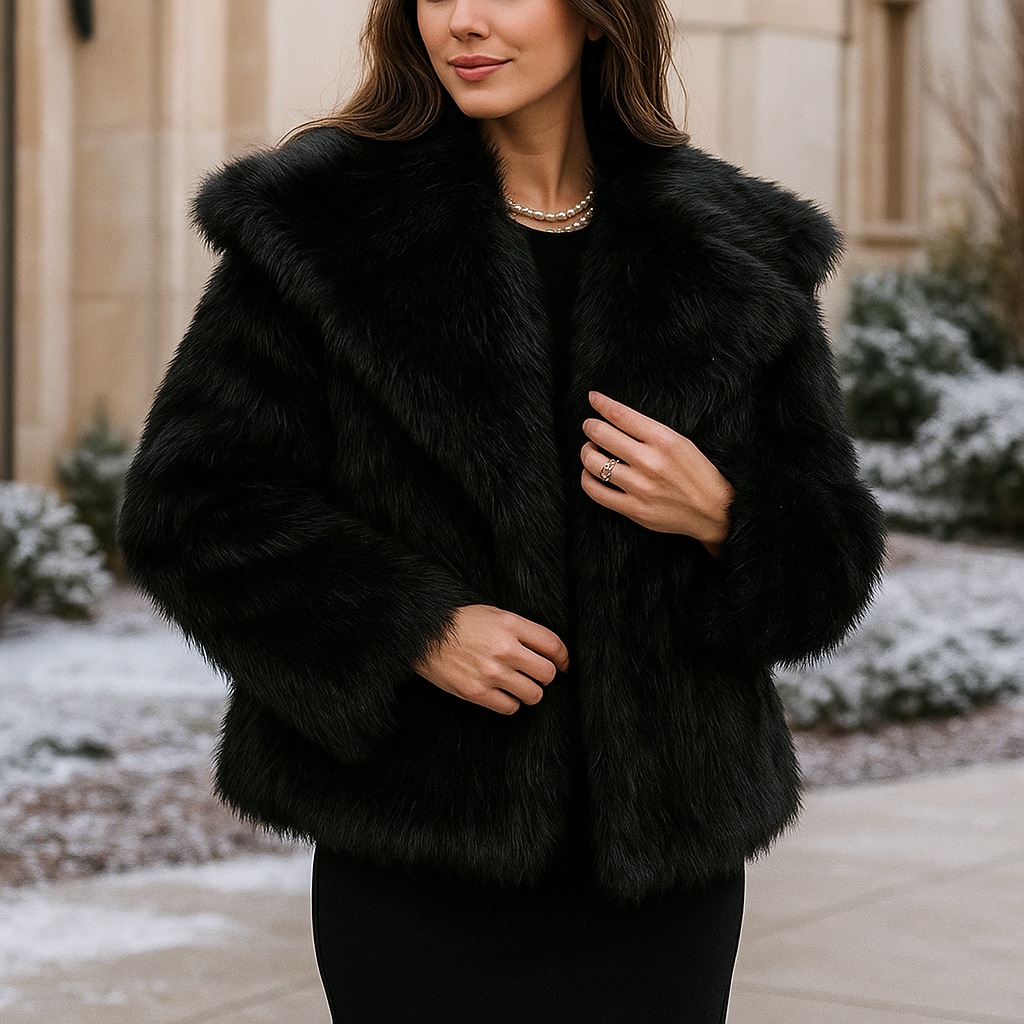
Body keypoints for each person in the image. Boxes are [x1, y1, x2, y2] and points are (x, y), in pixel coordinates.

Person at [118, 0, 886, 1021]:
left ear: (599, 16)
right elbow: (191, 506)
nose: (464, 21)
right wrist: (411, 626)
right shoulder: (322, 231)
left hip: (662, 874)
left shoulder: (736, 250)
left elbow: (824, 563)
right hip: (421, 854)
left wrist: (722, 515)